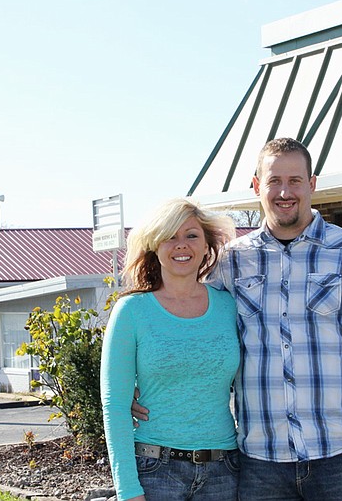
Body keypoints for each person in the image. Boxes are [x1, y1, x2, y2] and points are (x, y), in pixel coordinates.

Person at [134, 138, 342, 500]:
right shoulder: (229, 264)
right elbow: (183, 322)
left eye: (295, 181)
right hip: (260, 464)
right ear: (257, 186)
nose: (285, 192)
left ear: (312, 184)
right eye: (274, 181)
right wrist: (137, 383)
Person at [100, 199, 240, 501]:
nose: (181, 245)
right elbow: (115, 407)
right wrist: (128, 490)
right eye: (170, 236)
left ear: (206, 247)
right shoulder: (131, 311)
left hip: (224, 472)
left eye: (191, 235)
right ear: (154, 246)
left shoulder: (229, 306)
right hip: (155, 472)